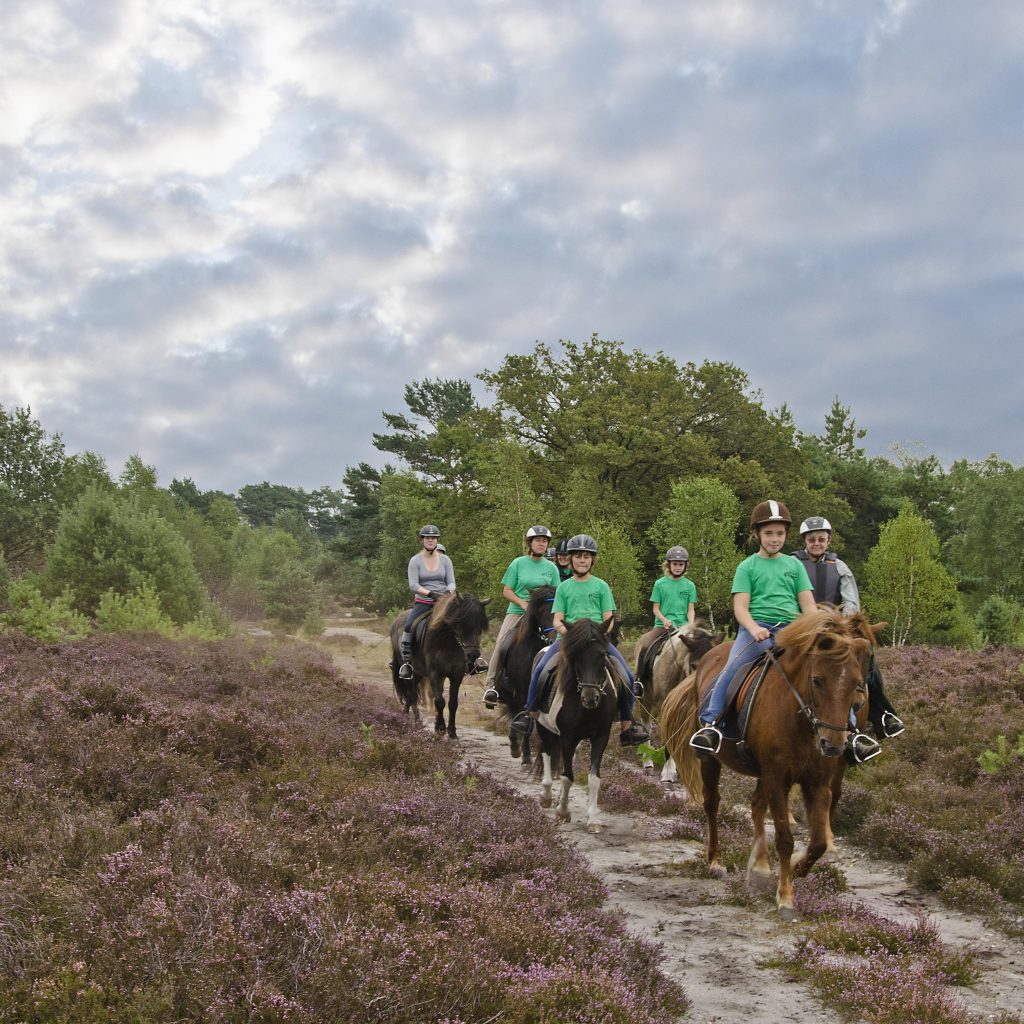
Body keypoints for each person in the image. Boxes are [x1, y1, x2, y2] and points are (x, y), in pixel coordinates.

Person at [689, 500, 821, 756]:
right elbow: (740, 608)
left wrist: (818, 629)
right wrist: (753, 628)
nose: (775, 539)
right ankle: (710, 724)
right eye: (769, 533)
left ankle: (850, 730)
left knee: (829, 667)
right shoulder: (747, 566)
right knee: (732, 666)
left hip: (792, 630)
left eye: (780, 533)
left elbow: (808, 606)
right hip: (756, 628)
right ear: (757, 534)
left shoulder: (794, 566)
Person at [512, 534, 649, 746]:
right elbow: (557, 620)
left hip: (597, 642)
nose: (582, 560)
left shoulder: (602, 586)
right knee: (540, 670)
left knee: (627, 676)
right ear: (571, 559)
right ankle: (528, 715)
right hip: (569, 641)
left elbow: (608, 619)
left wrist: (599, 633)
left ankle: (627, 726)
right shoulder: (564, 588)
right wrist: (570, 633)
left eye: (586, 556)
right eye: (578, 556)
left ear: (592, 560)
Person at [793, 516, 905, 741]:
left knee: (867, 659)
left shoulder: (840, 567)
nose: (817, 543)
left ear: (829, 540)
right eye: (812, 539)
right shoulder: (792, 563)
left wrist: (840, 623)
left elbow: (851, 602)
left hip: (836, 630)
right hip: (801, 627)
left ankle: (881, 714)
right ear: (805, 540)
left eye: (821, 539)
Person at [481, 525, 559, 708]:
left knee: (557, 643)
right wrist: (524, 604)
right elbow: (506, 591)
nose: (541, 543)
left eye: (544, 541)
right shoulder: (518, 563)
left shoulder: (552, 568)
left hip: (543, 615)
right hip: (517, 612)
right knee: (502, 644)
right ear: (530, 543)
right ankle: (491, 686)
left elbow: (557, 593)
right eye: (538, 540)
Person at [397, 524, 456, 681]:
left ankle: (470, 660)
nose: (431, 540)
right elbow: (413, 585)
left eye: (433, 538)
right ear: (422, 540)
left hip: (443, 601)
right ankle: (407, 662)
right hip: (424, 601)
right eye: (427, 538)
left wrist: (447, 592)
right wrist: (430, 593)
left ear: (437, 540)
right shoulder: (415, 561)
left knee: (463, 622)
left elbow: (451, 582)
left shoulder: (445, 560)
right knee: (409, 625)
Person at [651, 546, 697, 630]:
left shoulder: (690, 585)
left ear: (685, 566)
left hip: (683, 626)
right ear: (668, 565)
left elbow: (690, 610)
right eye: (675, 564)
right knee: (647, 642)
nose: (678, 568)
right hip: (662, 626)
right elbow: (656, 609)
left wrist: (690, 624)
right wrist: (664, 620)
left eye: (681, 564)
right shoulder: (659, 584)